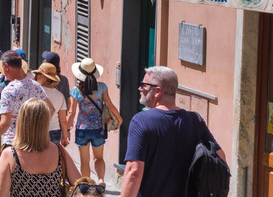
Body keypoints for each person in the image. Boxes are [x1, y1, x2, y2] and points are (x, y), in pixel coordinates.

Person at [121, 66, 226, 197]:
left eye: (144, 85)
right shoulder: (195, 120)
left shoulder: (141, 121)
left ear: (157, 91)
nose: (140, 88)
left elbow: (134, 171)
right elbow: (220, 157)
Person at [0, 98, 79, 197]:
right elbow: (80, 184)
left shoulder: (10, 155)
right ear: (46, 123)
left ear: (21, 121)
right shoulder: (58, 150)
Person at [67, 58, 121, 185]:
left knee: (84, 161)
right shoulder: (102, 87)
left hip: (82, 129)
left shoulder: (76, 90)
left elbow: (71, 112)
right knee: (99, 158)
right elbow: (110, 105)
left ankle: (86, 184)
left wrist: (67, 129)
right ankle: (101, 180)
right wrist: (119, 118)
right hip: (98, 128)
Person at [0, 51, 53, 151]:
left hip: (14, 143)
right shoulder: (35, 85)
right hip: (34, 143)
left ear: (7, 66)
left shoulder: (8, 91)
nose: (3, 73)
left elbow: (5, 123)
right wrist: (38, 129)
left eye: (3, 69)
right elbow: (51, 109)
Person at [33, 62, 69, 146]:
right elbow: (63, 120)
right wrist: (64, 137)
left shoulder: (37, 92)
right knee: (53, 158)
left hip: (39, 130)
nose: (36, 76)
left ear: (43, 77)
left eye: (37, 74)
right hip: (55, 131)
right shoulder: (60, 95)